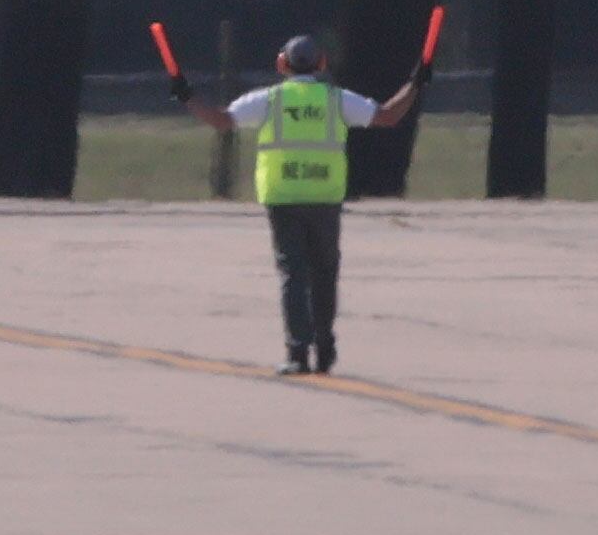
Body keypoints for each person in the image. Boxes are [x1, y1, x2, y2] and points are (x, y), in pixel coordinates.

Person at [178, 34, 419, 375]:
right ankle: (325, 348)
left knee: (293, 275)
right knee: (325, 273)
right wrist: (415, 84)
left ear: (281, 64)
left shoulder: (269, 100)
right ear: (321, 64)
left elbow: (221, 120)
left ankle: (297, 353)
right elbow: (389, 116)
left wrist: (186, 96)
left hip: (283, 198)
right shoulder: (336, 99)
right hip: (324, 197)